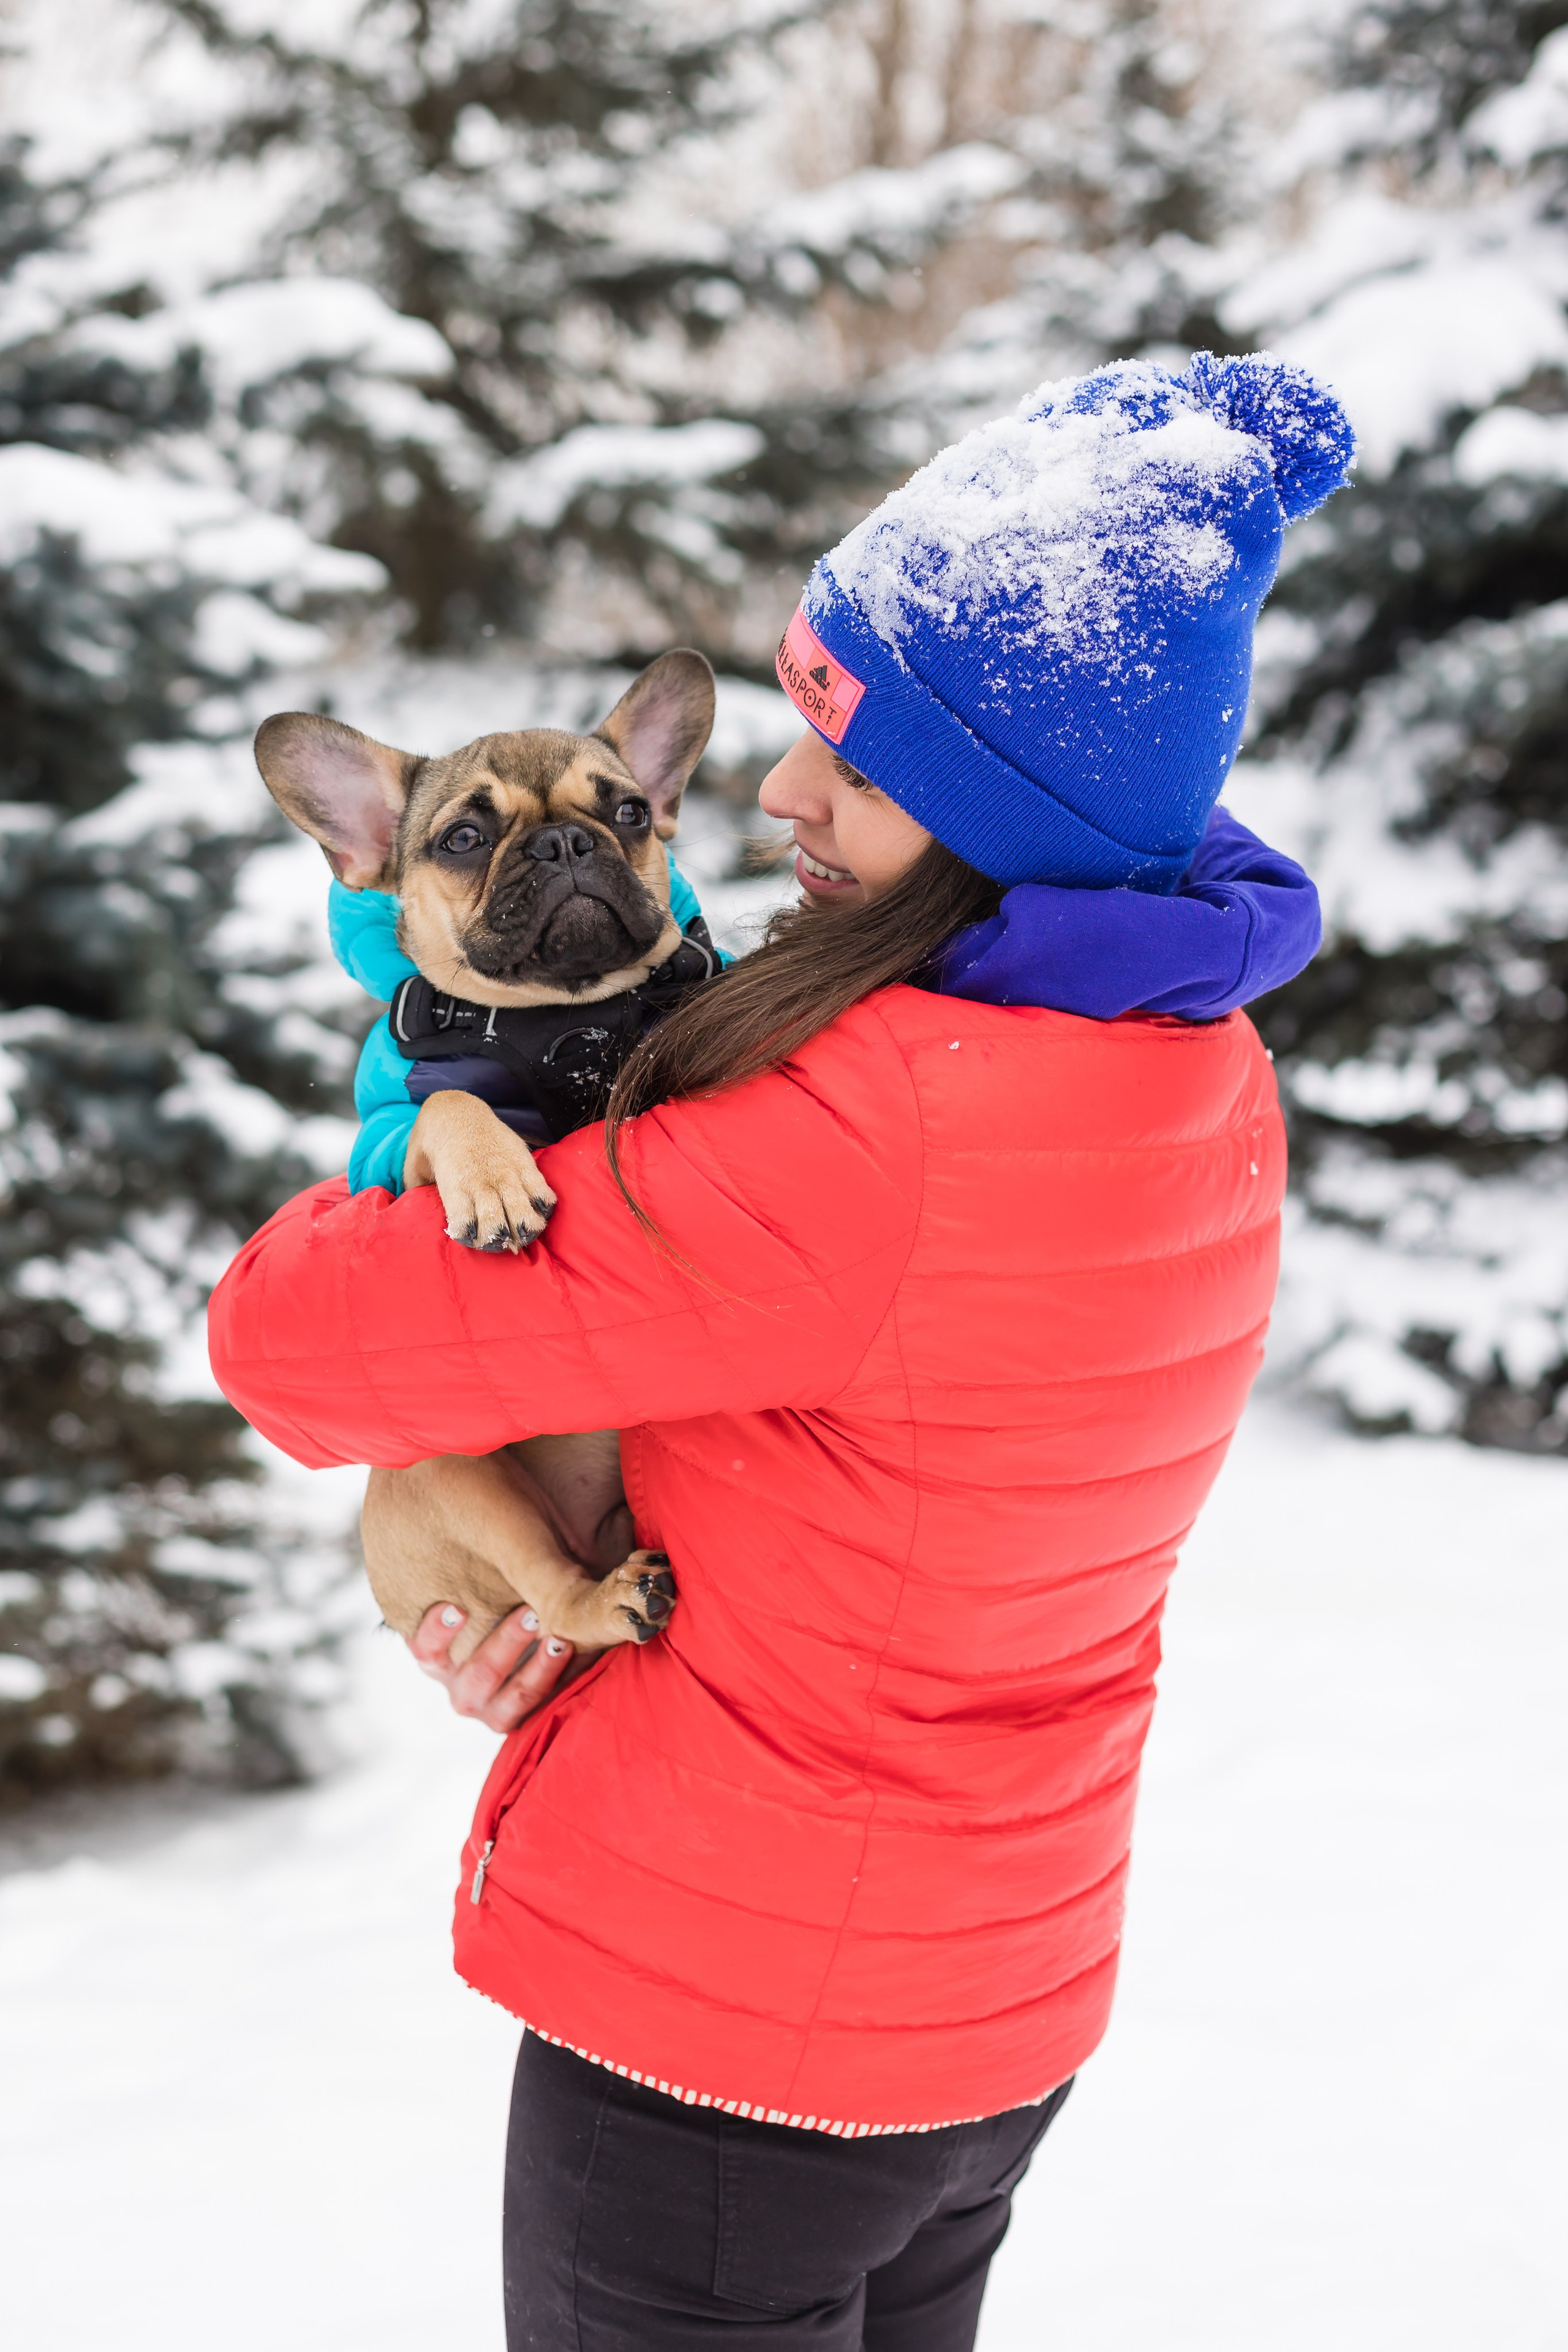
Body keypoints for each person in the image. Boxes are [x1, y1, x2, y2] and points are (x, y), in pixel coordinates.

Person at [209, 352, 1353, 2351]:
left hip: (740, 2038)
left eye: (851, 751)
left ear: (996, 807)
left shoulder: (859, 1130)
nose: (770, 791)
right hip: (993, 1996)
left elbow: (296, 1346)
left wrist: (419, 1053)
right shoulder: (1192, 1059)